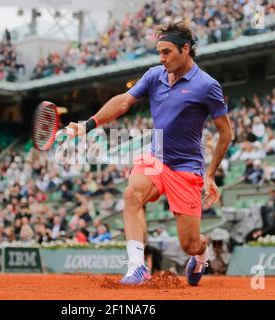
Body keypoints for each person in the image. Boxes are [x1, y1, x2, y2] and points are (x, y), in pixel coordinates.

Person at [65, 21, 231, 286]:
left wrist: (210, 175)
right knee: (132, 194)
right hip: (156, 159)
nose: (161, 58)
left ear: (185, 49)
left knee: (189, 244)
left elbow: (226, 133)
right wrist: (87, 125)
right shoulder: (154, 75)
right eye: (159, 52)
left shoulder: (207, 85)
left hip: (187, 169)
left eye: (166, 52)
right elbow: (123, 102)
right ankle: (137, 267)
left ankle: (201, 254)